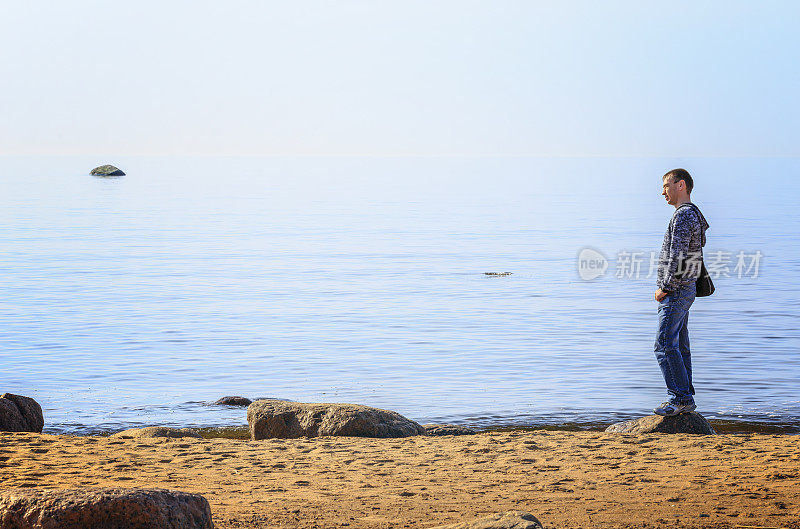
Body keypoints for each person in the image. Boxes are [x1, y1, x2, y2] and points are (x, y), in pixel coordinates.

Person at [653, 168, 709, 416]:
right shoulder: (692, 214)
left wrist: (665, 288)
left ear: (681, 185)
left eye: (666, 185)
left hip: (676, 291)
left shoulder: (683, 216)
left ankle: (680, 398)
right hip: (686, 289)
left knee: (664, 344)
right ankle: (685, 398)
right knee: (679, 344)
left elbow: (679, 257)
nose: (663, 191)